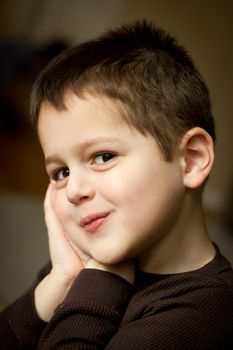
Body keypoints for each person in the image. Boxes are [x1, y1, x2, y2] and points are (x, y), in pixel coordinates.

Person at [1, 20, 233, 349]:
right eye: (61, 172)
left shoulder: (203, 314)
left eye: (103, 156)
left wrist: (98, 285)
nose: (73, 190)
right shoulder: (83, 264)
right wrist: (60, 280)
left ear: (192, 159)